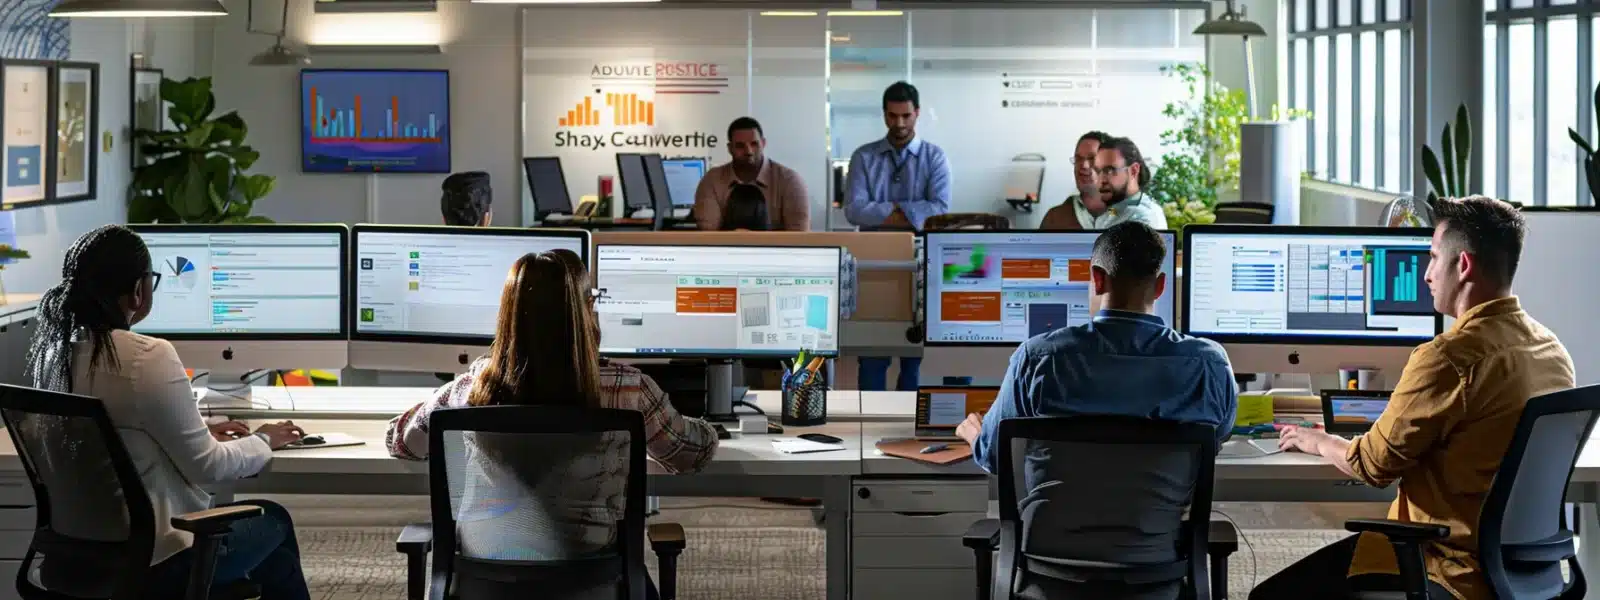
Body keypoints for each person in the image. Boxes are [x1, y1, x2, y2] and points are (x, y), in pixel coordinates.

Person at [1255, 196, 1575, 600]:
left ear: (1463, 265)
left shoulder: (1448, 358)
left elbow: (1373, 466)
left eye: (1433, 257)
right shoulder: (1552, 351)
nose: (1426, 274)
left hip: (1447, 568)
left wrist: (1319, 440)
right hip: (1530, 570)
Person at [386, 249, 719, 598]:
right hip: (591, 584)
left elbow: (403, 442)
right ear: (585, 310)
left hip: (484, 584)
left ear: (508, 315)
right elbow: (689, 454)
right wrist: (709, 429)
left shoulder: (471, 389)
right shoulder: (630, 389)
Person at [22, 224, 309, 599]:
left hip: (71, 560)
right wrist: (263, 440)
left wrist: (199, 431)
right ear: (139, 291)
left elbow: (122, 436)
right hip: (154, 564)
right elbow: (209, 468)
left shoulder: (51, 356)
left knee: (277, 565)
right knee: (273, 520)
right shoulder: (147, 356)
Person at [959, 221, 1237, 472]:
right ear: (1161, 286)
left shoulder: (1036, 359)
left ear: (1098, 278)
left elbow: (995, 455)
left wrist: (974, 433)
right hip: (1159, 529)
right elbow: (1216, 439)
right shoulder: (1209, 364)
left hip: (1053, 528)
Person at [846, 81, 950, 391]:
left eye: (906, 115)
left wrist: (883, 212)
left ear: (917, 114)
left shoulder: (934, 157)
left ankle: (911, 433)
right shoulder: (864, 157)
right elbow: (854, 210)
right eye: (892, 116)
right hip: (873, 264)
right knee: (872, 357)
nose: (899, 124)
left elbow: (940, 211)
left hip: (921, 265)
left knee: (916, 358)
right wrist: (911, 213)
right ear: (884, 115)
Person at [694, 117, 810, 231]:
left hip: (775, 250)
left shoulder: (790, 181)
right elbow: (708, 235)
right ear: (730, 148)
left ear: (763, 143)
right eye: (740, 146)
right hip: (725, 250)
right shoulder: (712, 180)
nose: (748, 151)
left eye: (754, 144)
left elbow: (799, 239)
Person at [1038, 130, 1112, 229]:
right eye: (1078, 159)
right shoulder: (1054, 218)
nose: (1084, 166)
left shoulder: (1128, 215)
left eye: (1092, 158)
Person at [1089, 137, 1167, 229]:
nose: (1101, 180)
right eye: (1097, 171)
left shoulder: (1143, 218)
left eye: (1109, 170)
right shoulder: (1113, 210)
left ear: (1134, 170)